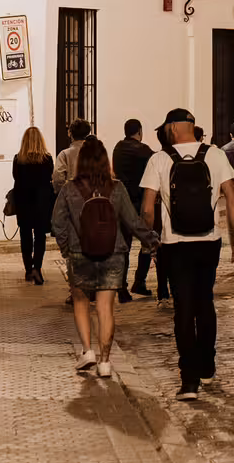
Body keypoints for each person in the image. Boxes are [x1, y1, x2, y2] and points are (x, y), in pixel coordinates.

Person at [141, 108, 234, 400]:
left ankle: (189, 381)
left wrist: (149, 241)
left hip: (174, 246)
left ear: (173, 128)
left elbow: (148, 209)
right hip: (208, 241)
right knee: (205, 303)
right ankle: (207, 366)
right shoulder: (214, 155)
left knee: (183, 309)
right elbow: (233, 199)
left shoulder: (159, 160)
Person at [51, 137, 157, 379]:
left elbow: (57, 223)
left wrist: (67, 249)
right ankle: (105, 362)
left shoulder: (69, 189)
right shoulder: (117, 188)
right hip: (114, 253)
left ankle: (87, 351)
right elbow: (132, 221)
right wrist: (151, 240)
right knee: (105, 308)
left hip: (80, 254)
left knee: (81, 302)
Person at [114, 119, 162, 301]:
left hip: (120, 200)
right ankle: (139, 281)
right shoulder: (143, 150)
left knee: (123, 247)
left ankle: (121, 286)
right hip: (139, 201)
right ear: (139, 131)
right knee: (147, 241)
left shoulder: (117, 148)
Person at [9, 126, 55, 285]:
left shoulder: (18, 159)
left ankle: (28, 270)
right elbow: (50, 177)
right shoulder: (47, 159)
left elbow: (16, 178)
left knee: (25, 236)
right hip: (42, 203)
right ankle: (38, 268)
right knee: (40, 237)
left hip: (24, 203)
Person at [51, 119, 91, 188]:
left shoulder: (64, 155)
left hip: (70, 197)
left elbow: (58, 180)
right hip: (92, 197)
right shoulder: (96, 153)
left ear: (70, 133)